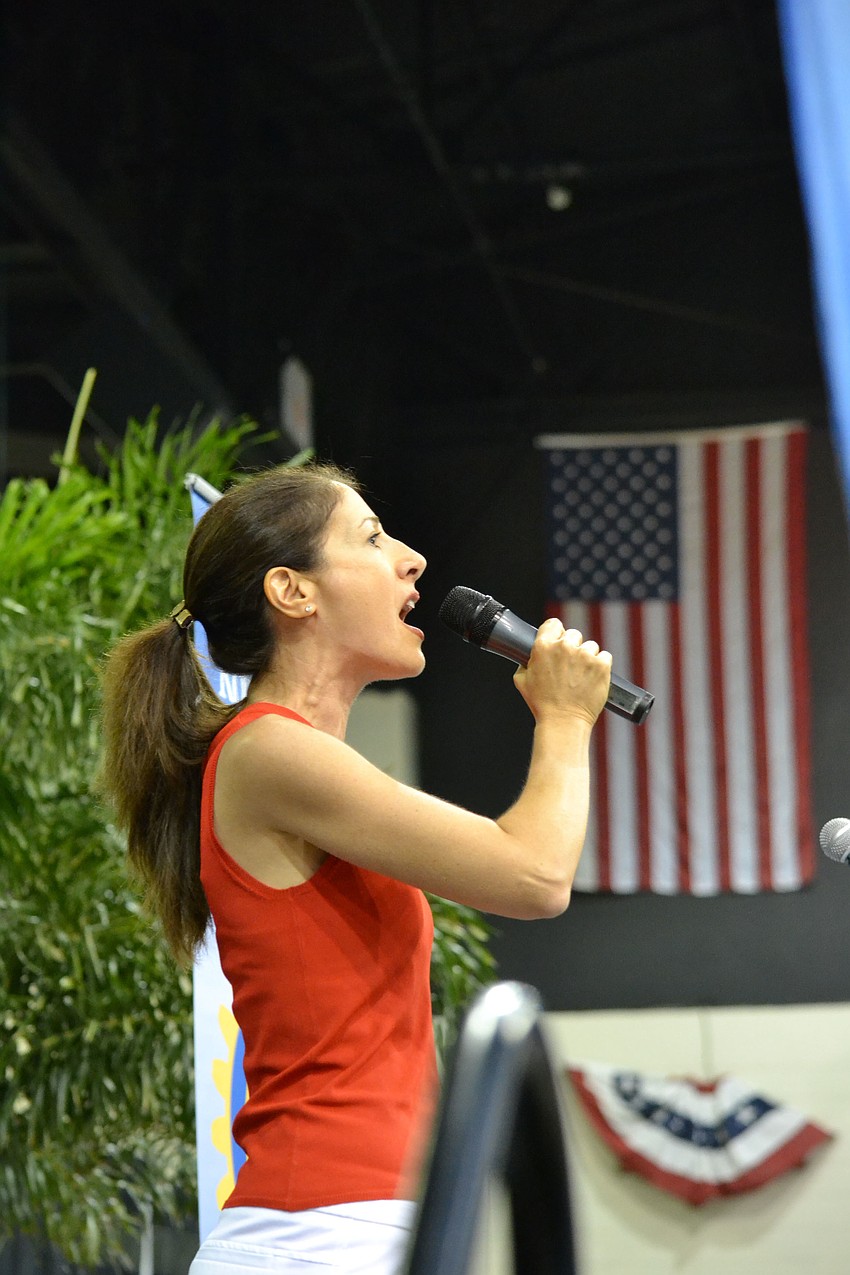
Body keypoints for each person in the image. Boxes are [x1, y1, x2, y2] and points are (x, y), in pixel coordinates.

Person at [99, 460, 611, 1275]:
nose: (411, 559)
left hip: (364, 1225)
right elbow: (535, 875)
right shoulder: (265, 749)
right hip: (320, 1234)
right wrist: (566, 718)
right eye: (372, 538)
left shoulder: (295, 761)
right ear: (291, 591)